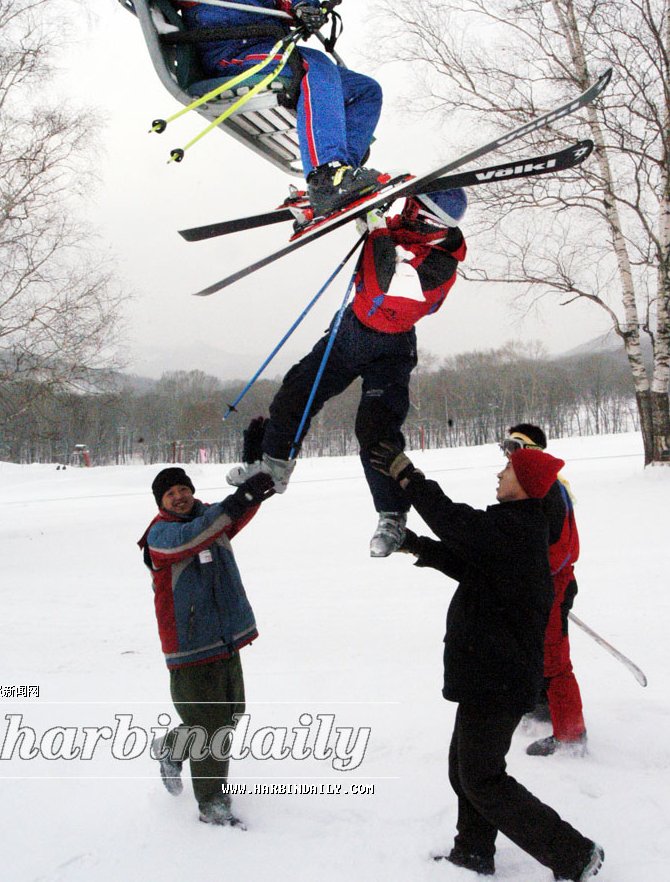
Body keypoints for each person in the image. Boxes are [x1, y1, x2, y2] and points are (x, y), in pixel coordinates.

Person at [365, 440, 604, 880]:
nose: (499, 475)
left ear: (527, 485)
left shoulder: (517, 529)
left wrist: (407, 475)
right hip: (488, 670)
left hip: (500, 674)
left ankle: (574, 853)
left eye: (508, 470)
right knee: (466, 772)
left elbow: (453, 521)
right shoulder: (515, 528)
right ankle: (473, 852)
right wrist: (415, 545)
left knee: (482, 778)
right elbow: (468, 563)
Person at [118, 0, 386, 217]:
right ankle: (326, 178)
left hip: (272, 48)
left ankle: (338, 175)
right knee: (314, 66)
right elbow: (150, 1)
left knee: (366, 91)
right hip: (225, 53)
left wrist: (305, 10)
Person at [226, 187, 467, 556]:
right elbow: (364, 219)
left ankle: (392, 515)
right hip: (351, 334)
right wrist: (333, 204)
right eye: (408, 206)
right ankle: (274, 467)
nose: (406, 214)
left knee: (375, 429)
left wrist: (376, 229)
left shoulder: (440, 265)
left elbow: (384, 284)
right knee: (296, 391)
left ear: (433, 222)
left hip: (391, 349)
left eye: (415, 212)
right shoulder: (406, 229)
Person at [137, 463, 275, 827]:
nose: (180, 497)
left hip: (225, 636)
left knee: (229, 714)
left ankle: (171, 748)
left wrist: (257, 484)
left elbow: (232, 516)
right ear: (161, 502)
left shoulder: (210, 518)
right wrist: (238, 499)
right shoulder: (160, 536)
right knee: (209, 729)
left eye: (184, 489)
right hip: (189, 646)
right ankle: (212, 803)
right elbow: (197, 533)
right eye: (171, 494)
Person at [503, 424, 587, 756]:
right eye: (505, 446)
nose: (508, 453)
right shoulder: (532, 486)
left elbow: (562, 548)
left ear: (532, 448)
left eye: (514, 445)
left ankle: (570, 735)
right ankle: (542, 705)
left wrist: (530, 575)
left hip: (553, 586)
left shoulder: (550, 488)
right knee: (534, 650)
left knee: (555, 661)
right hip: (540, 586)